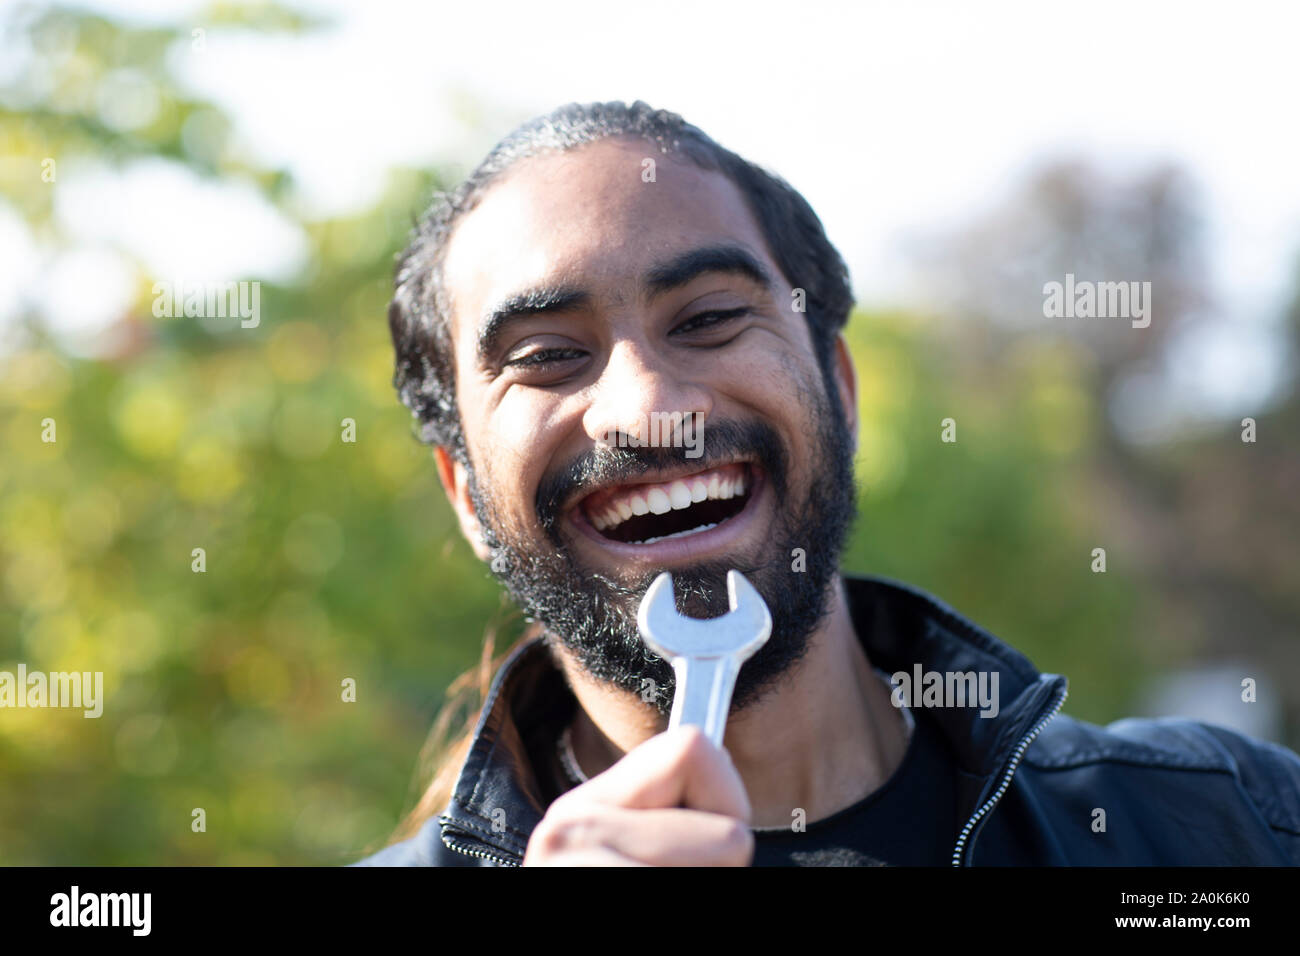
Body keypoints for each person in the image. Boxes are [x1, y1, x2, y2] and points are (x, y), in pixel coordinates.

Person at [356, 100, 1300, 867]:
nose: (650, 411)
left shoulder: (1234, 830)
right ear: (469, 497)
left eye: (713, 317)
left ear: (839, 394)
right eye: (550, 357)